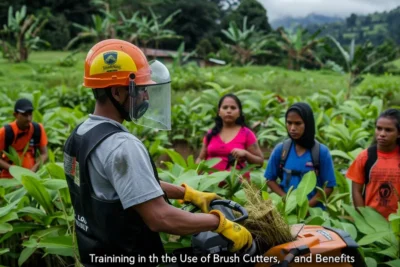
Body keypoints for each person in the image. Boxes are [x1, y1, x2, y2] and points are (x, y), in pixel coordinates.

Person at [63, 39, 253, 266]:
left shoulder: (80, 135)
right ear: (116, 92)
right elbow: (160, 218)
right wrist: (218, 223)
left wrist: (186, 194)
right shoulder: (121, 145)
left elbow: (127, 185)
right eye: (141, 89)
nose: (146, 97)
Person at [264, 102, 336, 207]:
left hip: (313, 213)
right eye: (289, 123)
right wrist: (286, 199)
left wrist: (307, 207)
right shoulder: (281, 149)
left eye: (298, 123)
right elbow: (270, 180)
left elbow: (329, 186)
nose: (292, 128)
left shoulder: (321, 152)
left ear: (308, 124)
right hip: (286, 209)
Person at [196, 93, 264, 181]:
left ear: (239, 112)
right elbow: (200, 159)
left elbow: (260, 162)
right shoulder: (211, 134)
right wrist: (194, 178)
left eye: (233, 108)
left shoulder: (247, 134)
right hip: (209, 186)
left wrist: (246, 154)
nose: (229, 111)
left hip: (236, 187)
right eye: (225, 107)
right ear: (219, 112)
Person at [347, 108, 400, 219]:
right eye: (379, 128)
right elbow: (356, 191)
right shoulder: (365, 157)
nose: (382, 134)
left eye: (388, 130)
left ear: (398, 134)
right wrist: (363, 218)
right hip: (371, 221)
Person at [0, 98, 48, 178]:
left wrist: (35, 168)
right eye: (25, 115)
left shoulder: (38, 129)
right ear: (15, 115)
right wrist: (15, 170)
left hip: (32, 176)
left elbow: (44, 153)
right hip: (9, 177)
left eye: (30, 114)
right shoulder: (5, 132)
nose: (28, 118)